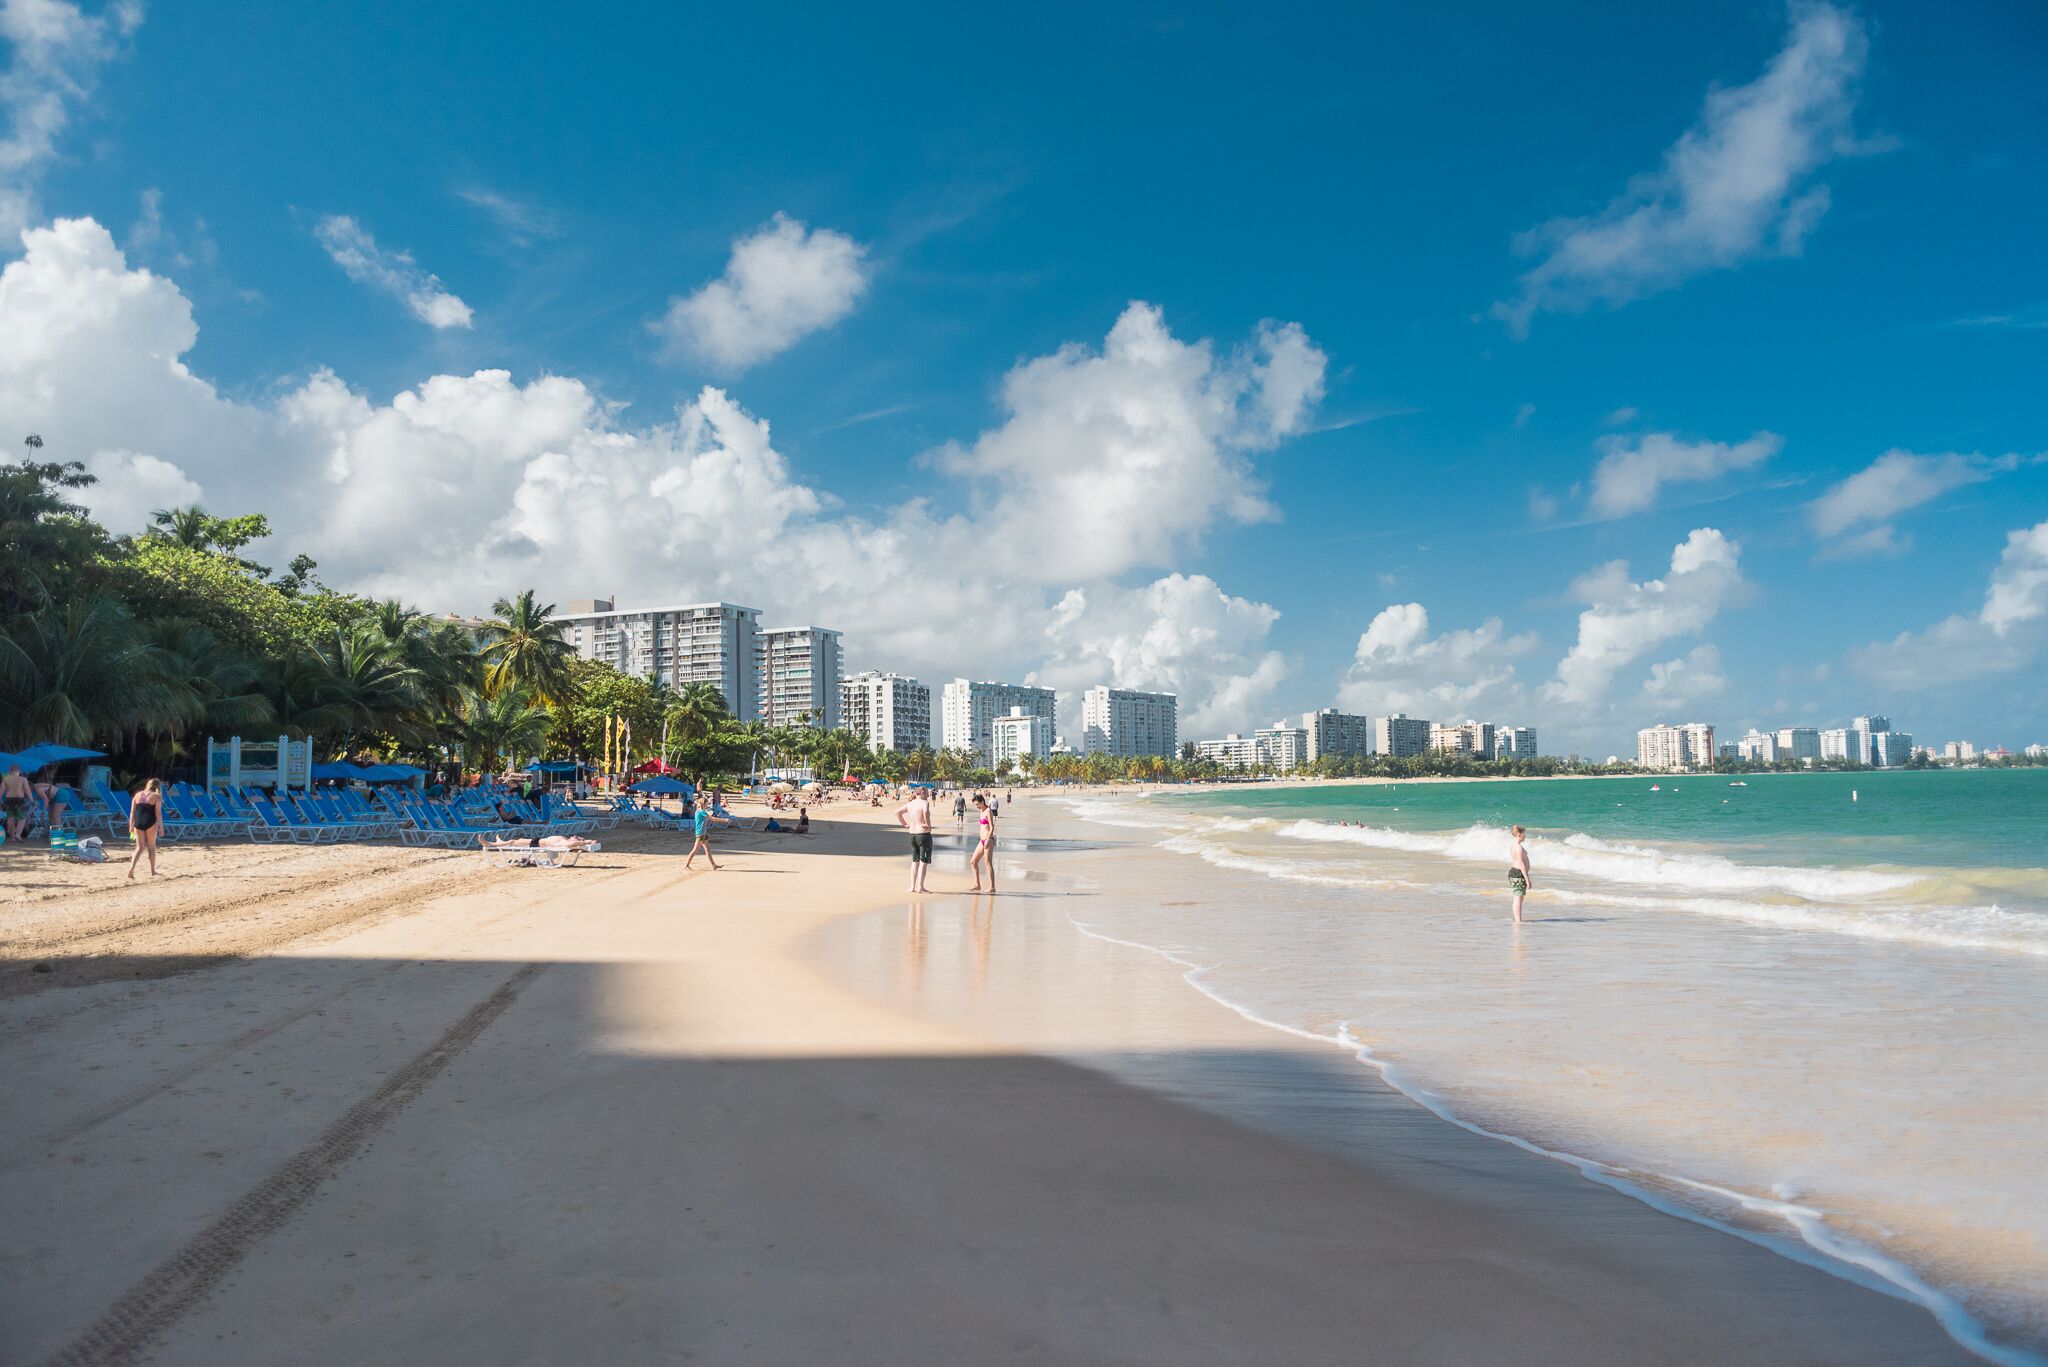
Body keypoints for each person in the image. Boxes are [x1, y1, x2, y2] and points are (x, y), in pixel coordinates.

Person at [895, 787, 934, 894]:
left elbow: (897, 812)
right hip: (923, 834)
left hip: (912, 834)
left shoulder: (910, 804)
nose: (928, 794)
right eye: (926, 792)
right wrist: (927, 824)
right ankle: (920, 887)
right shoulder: (924, 803)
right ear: (922, 792)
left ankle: (912, 887)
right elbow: (925, 811)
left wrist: (905, 824)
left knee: (915, 861)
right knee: (923, 862)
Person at [127, 778, 164, 879]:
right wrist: (161, 828)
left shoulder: (137, 795)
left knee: (139, 847)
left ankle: (131, 869)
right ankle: (152, 871)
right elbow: (158, 814)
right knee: (151, 847)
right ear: (158, 787)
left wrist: (131, 825)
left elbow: (132, 812)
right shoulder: (156, 796)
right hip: (150, 822)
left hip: (138, 823)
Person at [685, 799, 731, 870]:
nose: (707, 805)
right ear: (704, 804)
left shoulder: (698, 811)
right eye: (707, 804)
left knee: (708, 849)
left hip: (703, 832)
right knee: (695, 850)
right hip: (701, 833)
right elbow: (712, 819)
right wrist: (725, 820)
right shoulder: (701, 812)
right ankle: (686, 865)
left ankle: (713, 865)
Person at [969, 793, 998, 893]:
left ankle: (992, 887)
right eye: (975, 805)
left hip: (988, 840)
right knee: (973, 861)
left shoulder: (988, 811)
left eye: (977, 804)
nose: (977, 806)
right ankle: (977, 885)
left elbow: (992, 826)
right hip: (982, 840)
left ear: (982, 802)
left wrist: (988, 839)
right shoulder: (981, 811)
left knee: (987, 863)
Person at [1508, 824, 1533, 924]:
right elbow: (1521, 863)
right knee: (1518, 897)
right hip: (1518, 874)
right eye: (1524, 834)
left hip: (1516, 873)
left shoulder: (1514, 846)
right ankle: (1518, 920)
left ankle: (1518, 918)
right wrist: (1527, 879)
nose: (1525, 836)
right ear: (1519, 835)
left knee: (1520, 896)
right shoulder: (1518, 847)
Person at [1, 764, 31, 842]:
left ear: (10, 771)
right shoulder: (23, 779)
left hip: (9, 799)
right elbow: (27, 790)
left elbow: (1, 791)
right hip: (19, 800)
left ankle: (12, 837)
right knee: (22, 818)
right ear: (19, 771)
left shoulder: (6, 779)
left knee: (10, 818)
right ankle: (18, 835)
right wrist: (32, 799)